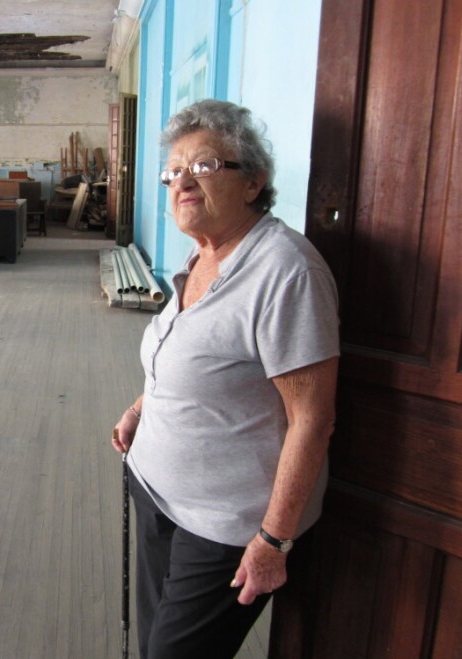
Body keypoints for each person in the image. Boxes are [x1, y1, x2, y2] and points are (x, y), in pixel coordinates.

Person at [111, 99, 339, 659]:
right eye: (174, 171)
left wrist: (273, 539)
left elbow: (312, 419)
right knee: (151, 645)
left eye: (205, 166)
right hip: (154, 490)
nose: (182, 181)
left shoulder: (286, 272)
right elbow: (197, 358)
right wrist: (142, 408)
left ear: (254, 182)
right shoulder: (198, 258)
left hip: (224, 527)